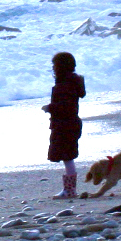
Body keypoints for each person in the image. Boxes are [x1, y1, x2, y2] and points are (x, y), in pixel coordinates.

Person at [42, 51, 87, 199]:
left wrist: (50, 108)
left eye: (54, 65)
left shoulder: (64, 84)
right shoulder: (72, 82)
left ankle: (70, 190)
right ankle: (69, 190)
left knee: (67, 156)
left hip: (65, 124)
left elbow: (65, 106)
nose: (53, 68)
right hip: (71, 123)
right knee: (68, 156)